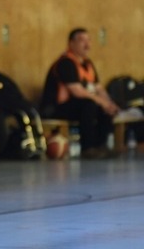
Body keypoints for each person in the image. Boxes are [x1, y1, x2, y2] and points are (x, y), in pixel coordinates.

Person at [40, 28, 120, 159]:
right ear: (71, 43)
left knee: (104, 107)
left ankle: (101, 146)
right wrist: (101, 102)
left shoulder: (88, 64)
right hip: (56, 108)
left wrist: (108, 103)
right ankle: (88, 148)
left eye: (89, 40)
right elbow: (77, 91)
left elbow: (99, 88)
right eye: (82, 40)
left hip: (78, 105)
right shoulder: (65, 63)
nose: (87, 44)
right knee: (89, 105)